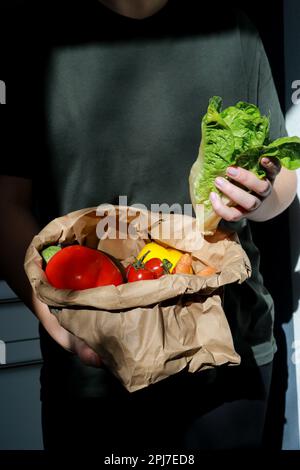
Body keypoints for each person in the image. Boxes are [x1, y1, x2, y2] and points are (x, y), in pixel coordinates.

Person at [0, 0, 297, 451]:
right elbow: (6, 204)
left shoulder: (232, 28)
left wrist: (257, 197)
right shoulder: (36, 38)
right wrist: (58, 322)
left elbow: (283, 182)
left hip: (228, 359)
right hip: (94, 368)